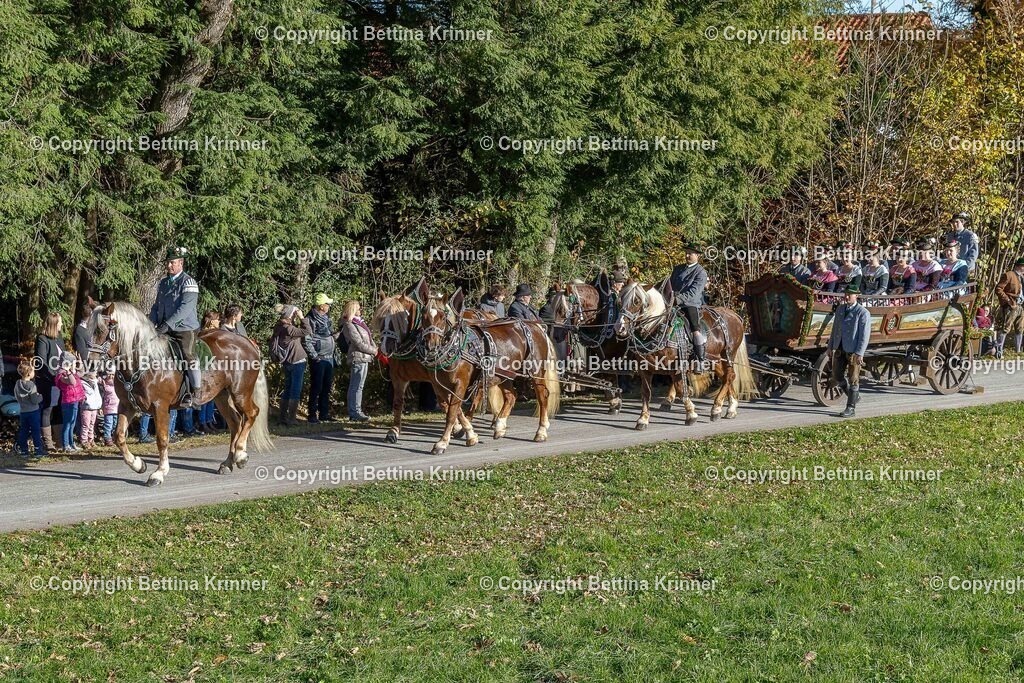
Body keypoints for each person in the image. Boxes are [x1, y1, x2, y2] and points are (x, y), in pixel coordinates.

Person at [150, 246, 201, 408]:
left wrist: (167, 325)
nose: (169, 266)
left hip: (185, 329)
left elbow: (185, 309)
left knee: (188, 356)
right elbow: (156, 306)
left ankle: (196, 392)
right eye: (168, 263)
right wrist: (150, 324)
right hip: (164, 328)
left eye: (172, 262)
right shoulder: (164, 283)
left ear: (181, 263)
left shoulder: (189, 282)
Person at [828, 285, 871, 418]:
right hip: (840, 349)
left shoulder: (862, 312)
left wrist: (860, 353)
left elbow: (864, 335)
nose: (846, 297)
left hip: (853, 350)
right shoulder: (840, 309)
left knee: (853, 379)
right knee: (837, 376)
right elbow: (834, 329)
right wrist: (830, 346)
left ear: (856, 296)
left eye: (849, 295)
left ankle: (850, 408)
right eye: (845, 294)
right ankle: (854, 396)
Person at [303, 293, 341, 423]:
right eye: (327, 304)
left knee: (326, 387)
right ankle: (312, 414)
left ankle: (324, 413)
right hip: (319, 358)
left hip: (329, 357)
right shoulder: (310, 319)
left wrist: (337, 334)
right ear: (321, 306)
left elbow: (328, 336)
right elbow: (306, 340)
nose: (329, 306)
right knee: (316, 387)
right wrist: (315, 357)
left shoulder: (326, 318)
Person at [669, 243, 709, 362]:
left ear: (697, 256)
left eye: (690, 253)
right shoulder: (677, 269)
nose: (687, 255)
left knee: (695, 329)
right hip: (672, 302)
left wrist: (677, 299)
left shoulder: (701, 272)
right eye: (686, 253)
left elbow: (694, 293)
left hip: (690, 304)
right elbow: (669, 285)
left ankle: (700, 360)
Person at [33, 311, 66, 453]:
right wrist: (54, 377)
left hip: (60, 380)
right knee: (48, 409)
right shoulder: (42, 339)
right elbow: (41, 362)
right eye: (60, 322)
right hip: (47, 381)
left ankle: (59, 441)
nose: (62, 324)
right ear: (54, 323)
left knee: (59, 408)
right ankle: (48, 442)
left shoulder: (59, 338)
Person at [340, 300, 378, 422]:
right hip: (358, 357)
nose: (360, 310)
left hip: (364, 357)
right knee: (356, 386)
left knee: (359, 386)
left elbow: (368, 338)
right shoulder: (349, 325)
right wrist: (373, 350)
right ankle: (355, 412)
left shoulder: (360, 323)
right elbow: (358, 343)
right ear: (353, 309)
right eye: (358, 308)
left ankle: (356, 410)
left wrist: (375, 348)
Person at [271, 305, 307, 426]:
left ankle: (282, 417)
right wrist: (302, 318)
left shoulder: (278, 327)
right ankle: (291, 418)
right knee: (295, 390)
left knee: (287, 389)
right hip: (296, 361)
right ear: (290, 316)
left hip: (287, 362)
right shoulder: (289, 329)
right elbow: (307, 331)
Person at [14, 359, 46, 459]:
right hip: (33, 411)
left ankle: (24, 450)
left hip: (23, 411)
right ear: (29, 373)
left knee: (24, 430)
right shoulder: (31, 385)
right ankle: (38, 450)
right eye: (33, 371)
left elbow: (16, 396)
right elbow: (34, 400)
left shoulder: (18, 384)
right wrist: (40, 397)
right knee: (36, 431)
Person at [993, 257, 1024, 358]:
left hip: (1020, 306)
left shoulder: (1022, 277)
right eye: (1023, 266)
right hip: (1011, 306)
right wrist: (1008, 301)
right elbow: (998, 289)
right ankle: (999, 351)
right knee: (1005, 328)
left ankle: (1018, 351)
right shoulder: (1009, 275)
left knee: (1020, 328)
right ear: (1018, 266)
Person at [56, 352, 85, 452]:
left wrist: (79, 362)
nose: (74, 365)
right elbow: (72, 382)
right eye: (72, 363)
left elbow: (81, 373)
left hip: (75, 401)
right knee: (67, 424)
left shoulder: (71, 372)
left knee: (72, 424)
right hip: (68, 403)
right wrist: (68, 371)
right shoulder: (61, 375)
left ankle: (72, 444)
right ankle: (66, 445)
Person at [79, 369, 102, 449]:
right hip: (86, 406)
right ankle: (84, 441)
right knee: (86, 424)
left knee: (92, 424)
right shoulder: (82, 383)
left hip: (94, 406)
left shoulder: (95, 382)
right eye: (94, 372)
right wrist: (84, 400)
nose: (96, 374)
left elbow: (97, 394)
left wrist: (99, 405)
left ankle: (91, 440)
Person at [100, 368, 119, 446]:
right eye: (109, 374)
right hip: (108, 407)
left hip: (117, 407)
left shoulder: (118, 384)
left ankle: (114, 437)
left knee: (115, 424)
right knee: (108, 424)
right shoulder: (104, 383)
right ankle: (107, 438)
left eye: (113, 375)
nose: (111, 376)